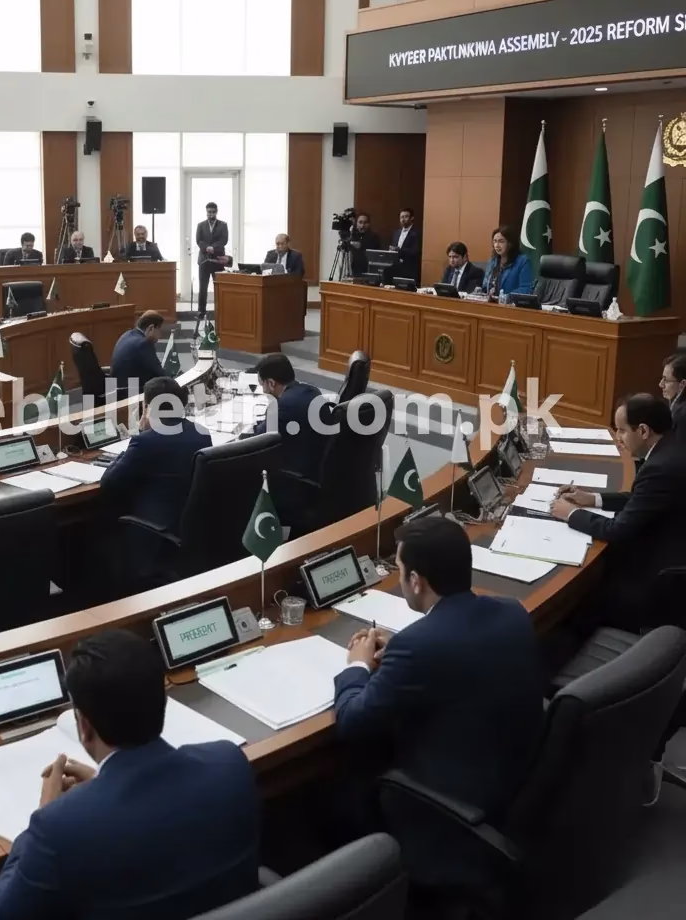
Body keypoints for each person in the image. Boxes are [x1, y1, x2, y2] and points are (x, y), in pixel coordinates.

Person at [0, 629, 260, 920]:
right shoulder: (229, 762)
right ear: (163, 702)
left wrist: (41, 817)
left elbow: (2, 916)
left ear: (84, 726)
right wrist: (103, 787)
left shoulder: (56, 828)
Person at [332, 517, 542, 883]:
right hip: (519, 775)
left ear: (416, 581)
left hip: (456, 802)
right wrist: (397, 649)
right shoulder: (512, 611)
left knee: (338, 791)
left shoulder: (420, 645)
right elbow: (457, 652)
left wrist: (358, 667)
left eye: (399, 571)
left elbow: (352, 721)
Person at [552, 393, 686, 632]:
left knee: (581, 590)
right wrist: (591, 498)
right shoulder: (669, 449)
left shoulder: (661, 467)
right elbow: (642, 498)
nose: (618, 438)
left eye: (622, 431)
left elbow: (618, 530)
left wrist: (571, 514)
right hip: (668, 544)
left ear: (643, 431)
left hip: (657, 572)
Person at [101, 377, 212, 581]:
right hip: (192, 528)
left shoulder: (145, 443)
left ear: (149, 408)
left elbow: (108, 483)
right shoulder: (201, 434)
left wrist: (142, 433)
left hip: (153, 532)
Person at [252, 353, 330, 488]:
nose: (263, 390)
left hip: (299, 478)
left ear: (271, 383)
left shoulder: (282, 406)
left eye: (262, 384)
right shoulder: (313, 391)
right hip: (323, 467)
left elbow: (257, 440)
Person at [110, 310, 166, 388]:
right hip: (131, 393)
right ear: (151, 328)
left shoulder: (126, 335)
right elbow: (160, 374)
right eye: (160, 330)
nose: (160, 336)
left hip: (116, 388)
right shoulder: (143, 344)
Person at [195, 202, 229, 321]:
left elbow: (224, 240)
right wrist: (206, 248)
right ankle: (201, 311)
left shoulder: (223, 225)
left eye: (213, 212)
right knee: (202, 287)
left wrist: (213, 248)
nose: (211, 214)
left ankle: (219, 309)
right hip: (204, 260)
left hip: (217, 260)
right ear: (206, 212)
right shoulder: (200, 225)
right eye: (209, 212)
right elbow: (198, 241)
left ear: (216, 212)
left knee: (218, 287)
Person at [483, 225, 533, 297]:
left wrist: (507, 296)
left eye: (501, 241)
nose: (497, 245)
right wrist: (480, 290)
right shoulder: (493, 261)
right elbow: (485, 286)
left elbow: (525, 289)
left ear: (510, 243)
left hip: (511, 305)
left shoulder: (523, 261)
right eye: (495, 241)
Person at [388, 208, 421, 283]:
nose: (403, 219)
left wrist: (399, 250)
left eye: (406, 217)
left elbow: (416, 251)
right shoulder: (396, 232)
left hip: (409, 269)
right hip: (396, 267)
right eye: (401, 217)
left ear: (412, 218)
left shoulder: (416, 233)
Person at [660, 352, 686, 442]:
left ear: (682, 385)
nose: (661, 384)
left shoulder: (682, 416)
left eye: (666, 380)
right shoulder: (675, 404)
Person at [344, 213, 380, 277]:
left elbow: (376, 255)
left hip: (368, 271)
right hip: (354, 271)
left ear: (369, 224)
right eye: (360, 222)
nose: (362, 225)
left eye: (365, 223)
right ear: (356, 224)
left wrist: (361, 246)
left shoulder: (374, 237)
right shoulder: (352, 236)